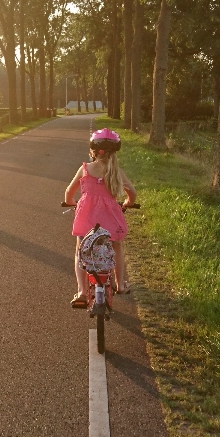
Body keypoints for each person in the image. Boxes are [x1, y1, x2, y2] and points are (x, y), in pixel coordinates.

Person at [64, 128, 137, 308]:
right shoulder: (116, 172)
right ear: (114, 153)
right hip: (110, 219)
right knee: (116, 245)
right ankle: (120, 285)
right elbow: (132, 193)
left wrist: (72, 203)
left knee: (80, 250)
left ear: (93, 152)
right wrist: (128, 203)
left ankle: (81, 291)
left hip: (86, 219)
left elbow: (68, 194)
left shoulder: (85, 169)